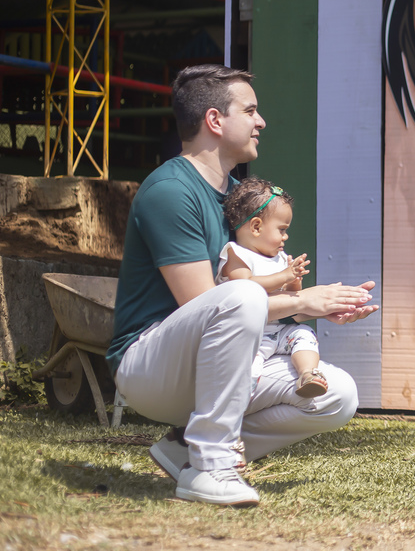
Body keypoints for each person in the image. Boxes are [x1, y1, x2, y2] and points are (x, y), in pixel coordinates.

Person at [106, 64, 379, 507]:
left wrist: (317, 307)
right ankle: (213, 466)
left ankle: (184, 451)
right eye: (250, 110)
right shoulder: (171, 191)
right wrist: (299, 298)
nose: (261, 121)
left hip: (217, 358)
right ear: (215, 120)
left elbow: (248, 304)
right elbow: (208, 303)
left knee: (338, 396)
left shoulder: (240, 199)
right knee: (241, 295)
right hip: (150, 365)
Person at [218, 177, 328, 398]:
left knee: (304, 334)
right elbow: (244, 287)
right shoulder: (237, 255)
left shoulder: (278, 258)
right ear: (256, 227)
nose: (285, 236)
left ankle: (308, 374)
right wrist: (283, 275)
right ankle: (238, 403)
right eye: (282, 229)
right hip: (251, 338)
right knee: (248, 370)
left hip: (279, 331)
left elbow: (289, 295)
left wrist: (294, 279)